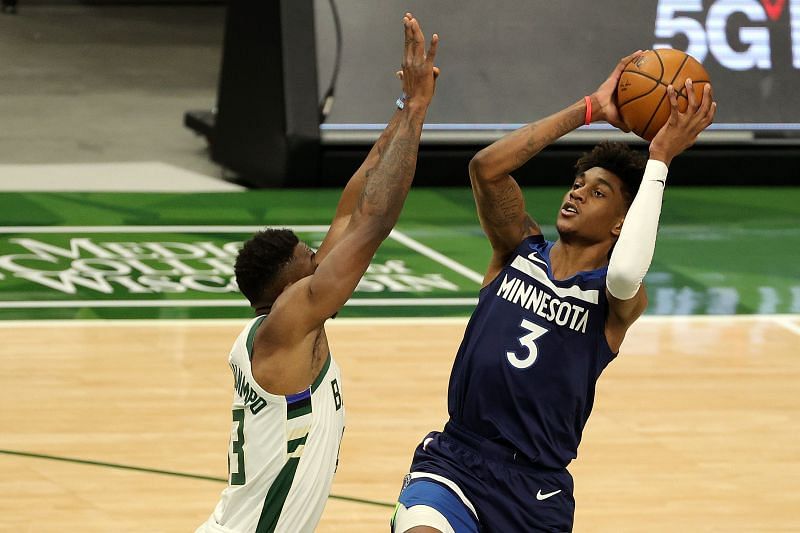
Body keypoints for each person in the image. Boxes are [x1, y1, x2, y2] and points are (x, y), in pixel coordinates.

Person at [391, 52, 716, 532]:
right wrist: (590, 109)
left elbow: (626, 273)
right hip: (456, 462)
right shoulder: (517, 250)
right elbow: (486, 169)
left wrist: (660, 159)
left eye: (599, 192)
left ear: (622, 223)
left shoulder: (612, 301)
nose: (578, 193)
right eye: (579, 183)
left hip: (535, 491)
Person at [195, 13, 439, 533]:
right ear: (287, 290)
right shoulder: (286, 325)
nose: (320, 262)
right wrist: (418, 110)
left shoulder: (282, 322)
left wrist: (402, 110)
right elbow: (374, 223)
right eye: (310, 262)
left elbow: (351, 211)